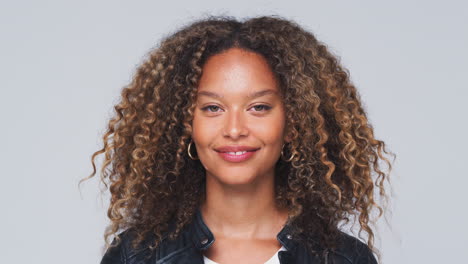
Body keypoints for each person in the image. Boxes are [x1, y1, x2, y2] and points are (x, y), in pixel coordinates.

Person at [83, 15, 394, 264]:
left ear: (293, 124)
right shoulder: (136, 257)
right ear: (186, 124)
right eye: (212, 108)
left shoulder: (342, 259)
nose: (234, 129)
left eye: (258, 107)